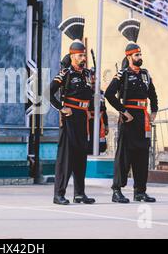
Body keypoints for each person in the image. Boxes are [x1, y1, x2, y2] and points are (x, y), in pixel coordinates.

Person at [105, 19, 158, 203]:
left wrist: (154, 111)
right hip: (128, 119)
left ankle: (140, 190)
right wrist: (122, 111)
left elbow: (153, 94)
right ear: (129, 57)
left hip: (142, 119)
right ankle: (117, 190)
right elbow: (110, 94)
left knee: (142, 154)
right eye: (136, 54)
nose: (139, 56)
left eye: (140, 53)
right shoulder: (122, 74)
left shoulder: (145, 74)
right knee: (124, 156)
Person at [47, 16, 96, 205]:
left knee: (80, 157)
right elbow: (48, 93)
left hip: (83, 118)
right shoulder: (65, 73)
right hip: (69, 118)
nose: (83, 58)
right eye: (80, 55)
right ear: (73, 55)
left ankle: (79, 193)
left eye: (84, 55)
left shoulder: (87, 74)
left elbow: (89, 96)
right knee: (65, 158)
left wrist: (91, 111)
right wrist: (61, 107)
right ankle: (58, 194)